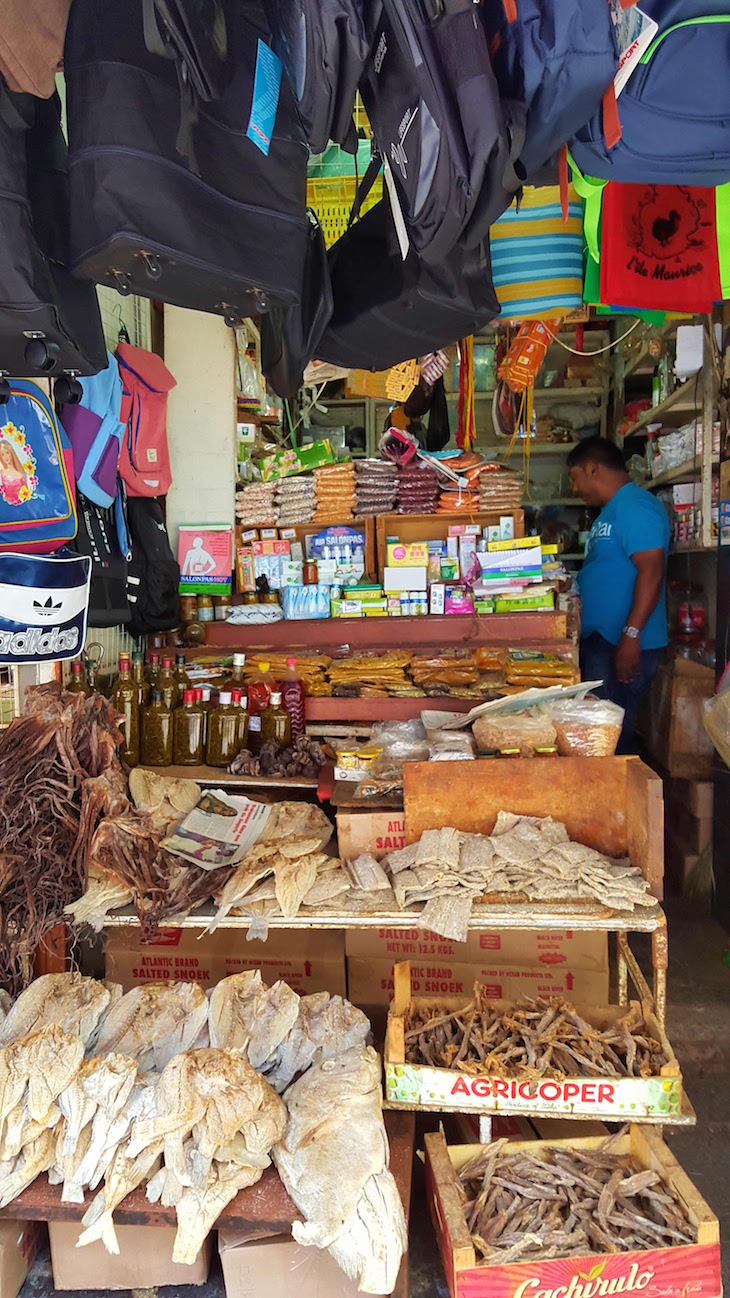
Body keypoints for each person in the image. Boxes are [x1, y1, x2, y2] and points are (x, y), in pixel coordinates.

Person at [567, 437, 670, 753]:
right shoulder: (610, 512)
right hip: (605, 641)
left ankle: (623, 800)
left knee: (610, 737)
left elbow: (651, 570)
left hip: (622, 643)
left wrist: (631, 635)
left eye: (574, 478)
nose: (574, 488)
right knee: (599, 734)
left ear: (593, 469)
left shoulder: (637, 506)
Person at [0, 440, 28, 506]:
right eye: (2, 455)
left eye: (7, 453)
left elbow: (26, 494)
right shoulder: (2, 473)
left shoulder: (21, 475)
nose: (5, 457)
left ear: (11, 453)